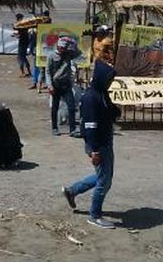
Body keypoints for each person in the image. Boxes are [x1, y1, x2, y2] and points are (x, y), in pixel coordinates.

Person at [62, 59, 121, 229]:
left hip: (105, 140)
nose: (110, 83)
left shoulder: (101, 93)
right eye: (109, 80)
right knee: (104, 181)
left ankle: (72, 191)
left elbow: (111, 110)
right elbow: (90, 126)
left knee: (104, 176)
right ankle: (95, 216)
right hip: (98, 144)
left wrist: (114, 111)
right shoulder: (91, 98)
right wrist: (93, 150)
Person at [47, 35, 80, 136]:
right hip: (56, 85)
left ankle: (72, 129)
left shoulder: (68, 55)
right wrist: (49, 85)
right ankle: (54, 128)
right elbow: (47, 72)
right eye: (61, 47)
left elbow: (79, 53)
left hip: (66, 85)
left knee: (71, 107)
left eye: (64, 47)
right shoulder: (51, 56)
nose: (62, 49)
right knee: (55, 107)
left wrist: (72, 42)